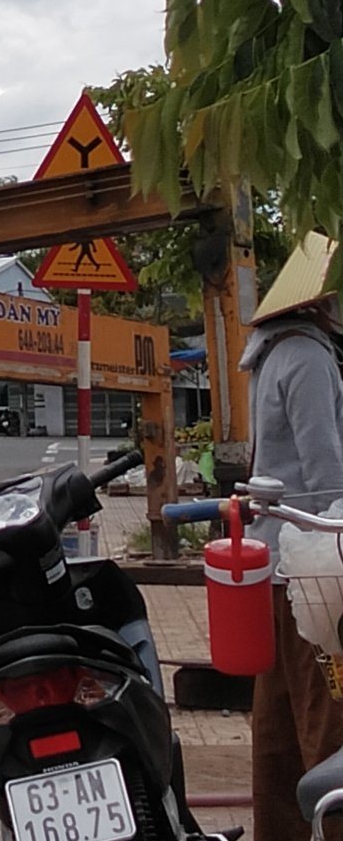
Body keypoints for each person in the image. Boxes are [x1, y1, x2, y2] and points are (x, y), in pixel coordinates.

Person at [239, 231, 343, 841]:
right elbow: (328, 475)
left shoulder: (273, 353)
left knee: (275, 728)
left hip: (278, 569)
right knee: (327, 724)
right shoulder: (308, 358)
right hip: (313, 572)